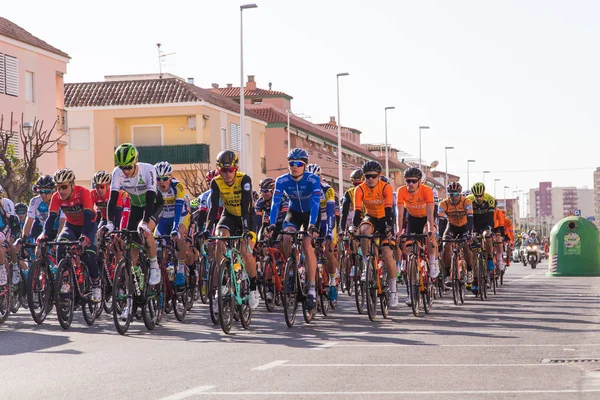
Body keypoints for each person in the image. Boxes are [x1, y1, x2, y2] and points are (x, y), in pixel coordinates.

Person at [105, 143, 163, 321]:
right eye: (123, 167)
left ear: (136, 161)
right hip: (136, 207)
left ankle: (154, 265)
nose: (126, 171)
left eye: (129, 167)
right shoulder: (117, 173)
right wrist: (109, 223)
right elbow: (113, 199)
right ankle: (130, 303)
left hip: (153, 206)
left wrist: (145, 223)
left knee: (145, 233)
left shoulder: (148, 170)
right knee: (131, 254)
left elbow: (152, 196)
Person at [267, 148, 321, 310]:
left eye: (299, 164)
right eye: (291, 163)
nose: (295, 166)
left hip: (311, 213)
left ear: (305, 165)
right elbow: (275, 203)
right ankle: (291, 269)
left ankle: (311, 288)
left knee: (306, 243)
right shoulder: (282, 180)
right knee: (285, 237)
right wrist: (271, 224)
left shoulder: (312, 180)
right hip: (294, 212)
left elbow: (316, 203)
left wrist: (312, 224)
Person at [205, 150, 260, 310]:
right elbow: (214, 207)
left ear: (236, 168)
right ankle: (221, 286)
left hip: (247, 217)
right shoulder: (216, 182)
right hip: (228, 216)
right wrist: (207, 228)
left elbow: (246, 204)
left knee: (245, 252)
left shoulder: (245, 179)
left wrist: (244, 229)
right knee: (220, 240)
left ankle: (253, 289)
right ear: (219, 170)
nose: (227, 174)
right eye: (223, 170)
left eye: (230, 170)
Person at [38, 168, 100, 301]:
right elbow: (51, 218)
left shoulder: (83, 192)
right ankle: (65, 280)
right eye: (58, 187)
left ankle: (96, 285)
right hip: (71, 226)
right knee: (60, 246)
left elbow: (88, 215)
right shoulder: (56, 197)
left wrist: (85, 236)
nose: (61, 191)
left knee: (88, 256)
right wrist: (44, 235)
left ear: (72, 185)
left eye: (64, 186)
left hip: (88, 226)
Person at [351, 160, 398, 306]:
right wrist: (353, 227)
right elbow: (358, 211)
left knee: (387, 254)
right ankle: (367, 266)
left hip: (385, 219)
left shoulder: (386, 187)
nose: (370, 179)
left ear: (379, 175)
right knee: (364, 232)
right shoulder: (360, 189)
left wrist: (389, 228)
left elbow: (389, 209)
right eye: (367, 176)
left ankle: (393, 291)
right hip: (370, 216)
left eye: (373, 176)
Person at [396, 168, 438, 280]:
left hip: (426, 219)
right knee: (409, 251)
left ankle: (433, 262)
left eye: (413, 181)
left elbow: (430, 214)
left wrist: (430, 229)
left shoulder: (427, 190)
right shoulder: (401, 191)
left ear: (419, 181)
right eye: (408, 181)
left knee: (428, 235)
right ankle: (413, 286)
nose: (410, 184)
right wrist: (399, 231)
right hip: (413, 219)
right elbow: (400, 214)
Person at [154, 161, 192, 287]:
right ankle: (162, 272)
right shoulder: (153, 188)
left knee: (179, 235)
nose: (161, 182)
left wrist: (175, 228)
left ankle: (181, 269)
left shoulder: (177, 187)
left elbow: (178, 209)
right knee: (155, 243)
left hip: (180, 216)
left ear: (170, 177)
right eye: (158, 179)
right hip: (164, 218)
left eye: (164, 178)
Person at [306, 163, 338, 302]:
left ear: (321, 177)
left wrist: (329, 233)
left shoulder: (328, 190)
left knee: (329, 251)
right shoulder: (305, 190)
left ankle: (332, 280)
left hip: (327, 220)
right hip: (313, 221)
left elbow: (331, 213)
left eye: (317, 178)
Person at [438, 182, 474, 288]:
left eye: (456, 194)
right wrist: (440, 237)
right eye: (451, 194)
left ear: (460, 193)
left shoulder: (466, 202)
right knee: (446, 245)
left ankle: (469, 271)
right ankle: (448, 273)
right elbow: (441, 222)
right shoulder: (443, 203)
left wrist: (469, 234)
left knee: (466, 245)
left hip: (464, 226)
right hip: (451, 226)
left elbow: (470, 218)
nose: (454, 196)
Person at [466, 182, 496, 293]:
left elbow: (490, 218)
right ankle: (475, 281)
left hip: (485, 223)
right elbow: (467, 218)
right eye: (476, 196)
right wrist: (470, 232)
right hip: (474, 224)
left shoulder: (490, 199)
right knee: (474, 254)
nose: (478, 198)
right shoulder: (468, 200)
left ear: (484, 193)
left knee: (487, 236)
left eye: (480, 195)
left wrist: (489, 229)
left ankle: (489, 258)